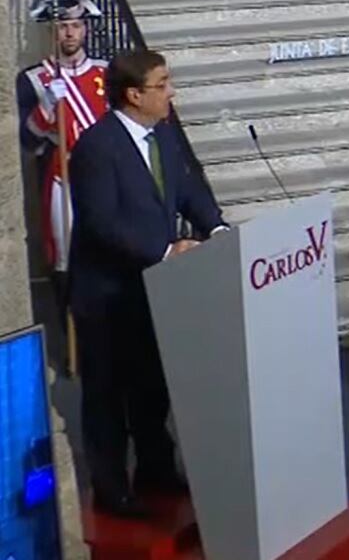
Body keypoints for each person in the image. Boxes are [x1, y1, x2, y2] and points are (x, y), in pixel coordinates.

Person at [69, 50, 227, 518]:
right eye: (163, 84)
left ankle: (155, 470)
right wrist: (163, 252)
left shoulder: (164, 136)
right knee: (107, 395)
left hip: (157, 290)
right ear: (135, 95)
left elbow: (187, 188)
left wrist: (216, 229)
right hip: (107, 296)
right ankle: (111, 488)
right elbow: (101, 223)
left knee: (151, 387)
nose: (171, 91)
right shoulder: (96, 148)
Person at [15, 0, 108, 284]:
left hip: (105, 170)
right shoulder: (34, 79)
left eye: (76, 26)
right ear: (52, 32)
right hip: (62, 174)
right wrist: (46, 105)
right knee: (67, 260)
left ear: (85, 30)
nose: (70, 33)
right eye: (63, 26)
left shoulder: (106, 72)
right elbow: (28, 141)